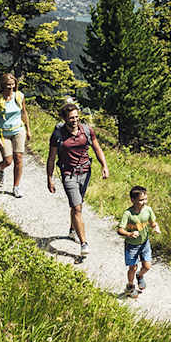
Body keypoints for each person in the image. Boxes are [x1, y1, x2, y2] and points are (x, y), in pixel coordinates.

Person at [46, 102, 109, 256]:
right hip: (68, 174)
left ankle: (72, 229)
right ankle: (84, 243)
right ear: (64, 118)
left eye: (76, 117)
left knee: (77, 204)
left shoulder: (86, 130)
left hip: (85, 172)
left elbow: (97, 148)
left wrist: (104, 166)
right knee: (77, 208)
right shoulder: (58, 135)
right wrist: (49, 178)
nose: (74, 120)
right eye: (71, 118)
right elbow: (51, 157)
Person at [0, 73, 30, 198]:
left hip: (18, 130)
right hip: (4, 133)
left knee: (18, 158)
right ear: (2, 85)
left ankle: (16, 187)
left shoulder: (19, 96)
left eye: (12, 85)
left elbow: (24, 112)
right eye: (8, 85)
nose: (10, 88)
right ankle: (1, 168)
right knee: (8, 161)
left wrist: (28, 129)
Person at [117, 185, 161, 298]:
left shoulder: (148, 210)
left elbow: (153, 222)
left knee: (147, 266)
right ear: (133, 200)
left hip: (144, 243)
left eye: (145, 199)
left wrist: (155, 227)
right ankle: (130, 287)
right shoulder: (128, 213)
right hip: (132, 245)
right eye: (141, 200)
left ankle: (140, 276)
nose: (144, 202)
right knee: (133, 267)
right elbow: (120, 230)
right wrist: (129, 234)